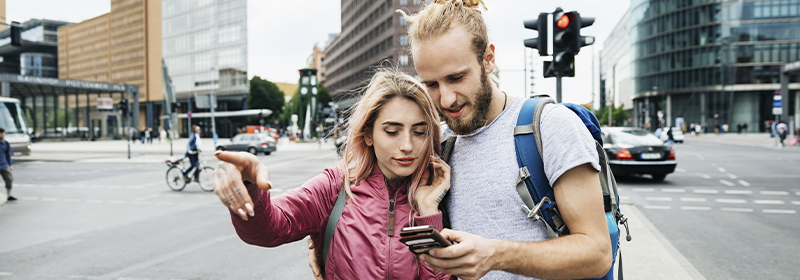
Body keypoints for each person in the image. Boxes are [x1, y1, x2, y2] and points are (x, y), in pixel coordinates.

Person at [307, 1, 612, 279]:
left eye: (456, 78)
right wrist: (327, 240)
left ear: (488, 59)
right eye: (431, 84)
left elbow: (597, 254)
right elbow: (382, 210)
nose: (446, 98)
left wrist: (496, 255)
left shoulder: (549, 127)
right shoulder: (441, 145)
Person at [213, 71, 451, 280]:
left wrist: (428, 211)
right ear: (367, 134)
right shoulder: (335, 188)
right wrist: (249, 185)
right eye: (392, 131)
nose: (407, 145)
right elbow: (269, 228)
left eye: (420, 132)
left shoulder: (439, 191)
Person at [0, 128, 15, 201]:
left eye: (3, 133)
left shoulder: (6, 143)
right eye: (0, 133)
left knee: (9, 179)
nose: (2, 135)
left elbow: (8, 154)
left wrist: (10, 165)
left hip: (4, 164)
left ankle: (9, 195)